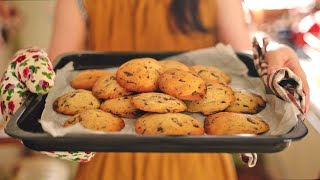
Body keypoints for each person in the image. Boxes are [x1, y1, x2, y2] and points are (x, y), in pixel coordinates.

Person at [0, 0, 310, 180]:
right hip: (107, 157)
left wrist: (272, 52)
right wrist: (30, 79)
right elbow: (56, 85)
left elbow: (243, 71)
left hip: (197, 157)